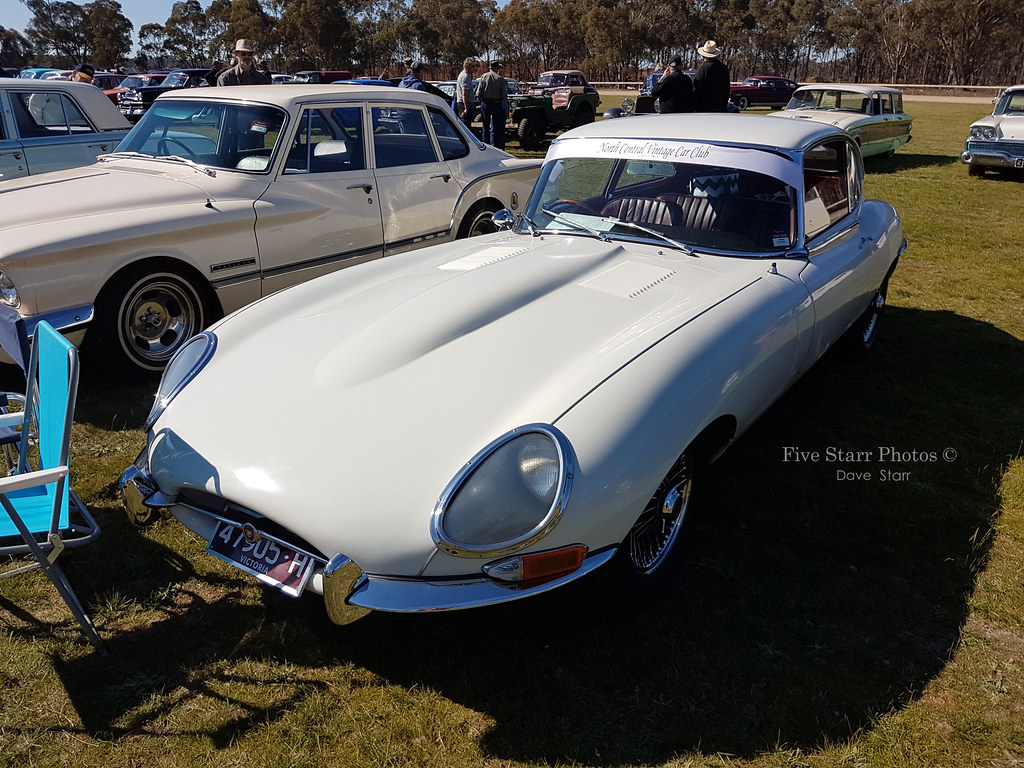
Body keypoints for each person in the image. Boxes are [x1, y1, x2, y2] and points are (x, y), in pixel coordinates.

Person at [476, 60, 507, 149]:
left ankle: (485, 145)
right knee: (496, 127)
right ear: (497, 69)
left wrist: (483, 100)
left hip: (485, 103)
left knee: (485, 126)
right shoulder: (500, 79)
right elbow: (504, 96)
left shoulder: (483, 76)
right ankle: (495, 146)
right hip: (496, 104)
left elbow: (478, 93)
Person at [693, 40, 731, 112]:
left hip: (703, 108)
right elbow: (727, 89)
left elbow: (696, 89)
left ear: (703, 55)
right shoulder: (723, 68)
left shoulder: (703, 68)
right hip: (719, 107)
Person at [456, 57, 478, 127]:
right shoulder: (465, 76)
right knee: (465, 126)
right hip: (464, 104)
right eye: (473, 66)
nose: (475, 68)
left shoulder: (468, 76)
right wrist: (466, 108)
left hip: (466, 104)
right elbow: (464, 93)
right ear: (467, 66)